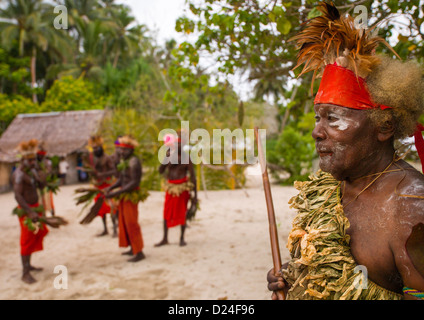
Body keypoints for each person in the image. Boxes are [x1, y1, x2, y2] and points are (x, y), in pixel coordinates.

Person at [267, 2, 424, 300]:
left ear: (384, 126)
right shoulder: (331, 186)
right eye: (318, 117)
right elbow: (326, 271)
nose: (317, 131)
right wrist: (293, 276)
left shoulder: (412, 208)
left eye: (333, 118)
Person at [11, 139, 49, 284]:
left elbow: (40, 184)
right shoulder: (19, 174)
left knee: (37, 234)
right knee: (26, 239)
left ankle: (29, 265)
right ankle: (25, 273)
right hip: (27, 210)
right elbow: (17, 195)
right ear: (23, 160)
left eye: (34, 160)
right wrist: (29, 212)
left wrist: (41, 174)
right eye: (30, 160)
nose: (33, 162)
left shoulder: (32, 170)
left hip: (35, 207)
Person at [105, 135, 146, 262]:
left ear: (131, 150)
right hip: (124, 194)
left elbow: (134, 182)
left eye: (125, 150)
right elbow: (122, 179)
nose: (122, 152)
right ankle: (132, 248)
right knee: (124, 221)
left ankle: (139, 252)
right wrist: (111, 188)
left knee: (131, 223)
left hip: (131, 195)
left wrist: (116, 193)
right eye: (121, 149)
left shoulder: (134, 162)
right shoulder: (125, 161)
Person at [155, 133, 197, 247]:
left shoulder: (187, 159)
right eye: (176, 144)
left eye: (180, 144)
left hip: (182, 188)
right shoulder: (169, 156)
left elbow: (193, 177)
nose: (177, 146)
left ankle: (182, 238)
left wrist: (195, 196)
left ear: (183, 146)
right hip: (171, 188)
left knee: (182, 212)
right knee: (166, 212)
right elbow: (160, 171)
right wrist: (166, 159)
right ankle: (165, 238)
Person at [87, 136, 118, 237]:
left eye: (97, 148)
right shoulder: (93, 159)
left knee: (111, 207)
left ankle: (114, 229)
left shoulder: (107, 158)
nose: (95, 150)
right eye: (93, 148)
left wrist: (103, 175)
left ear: (101, 147)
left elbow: (114, 171)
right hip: (98, 187)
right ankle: (105, 229)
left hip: (107, 185)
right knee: (101, 209)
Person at [35, 142, 56, 216]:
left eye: (42, 155)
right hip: (37, 185)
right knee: (40, 201)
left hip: (46, 184)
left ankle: (52, 211)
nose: (40, 157)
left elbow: (49, 172)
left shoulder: (47, 162)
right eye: (39, 155)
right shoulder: (34, 163)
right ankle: (43, 214)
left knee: (48, 200)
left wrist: (44, 173)